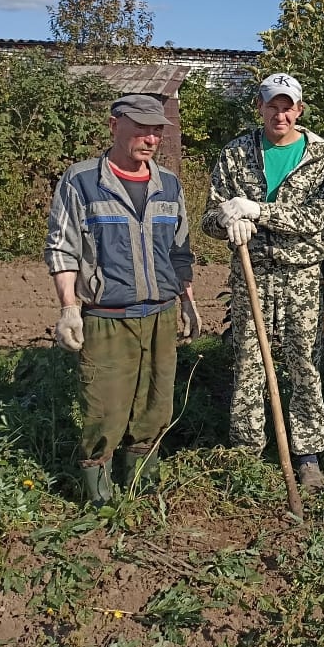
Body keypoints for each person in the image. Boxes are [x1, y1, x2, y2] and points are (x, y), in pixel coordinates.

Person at [45, 94, 200, 507]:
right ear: (115, 126)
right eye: (140, 128)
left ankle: (142, 481)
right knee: (104, 407)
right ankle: (97, 492)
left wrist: (187, 302)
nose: (150, 138)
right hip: (106, 317)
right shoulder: (81, 181)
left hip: (161, 313)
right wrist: (68, 308)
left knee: (156, 404)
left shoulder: (168, 184)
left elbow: (180, 251)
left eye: (156, 131)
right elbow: (62, 248)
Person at [201, 73, 324, 491]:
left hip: (300, 273)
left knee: (304, 362)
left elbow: (313, 219)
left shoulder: (319, 154)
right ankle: (246, 451)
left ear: (299, 109)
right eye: (272, 106)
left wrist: (256, 211)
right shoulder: (236, 153)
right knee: (249, 360)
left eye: (288, 106)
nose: (281, 113)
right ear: (260, 108)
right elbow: (209, 217)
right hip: (252, 271)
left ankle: (307, 454)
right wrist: (227, 222)